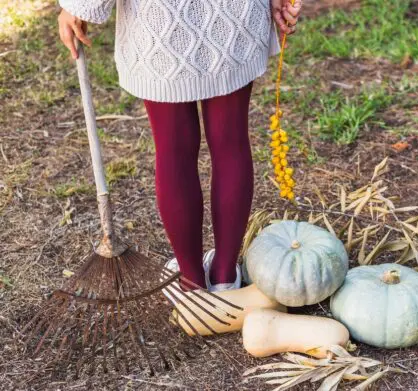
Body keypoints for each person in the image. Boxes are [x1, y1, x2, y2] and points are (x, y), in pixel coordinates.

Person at [57, 0, 302, 294]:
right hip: (234, 17)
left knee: (173, 150)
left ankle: (191, 280)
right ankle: (225, 276)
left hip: (161, 20)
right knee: (231, 142)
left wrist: (78, 6)